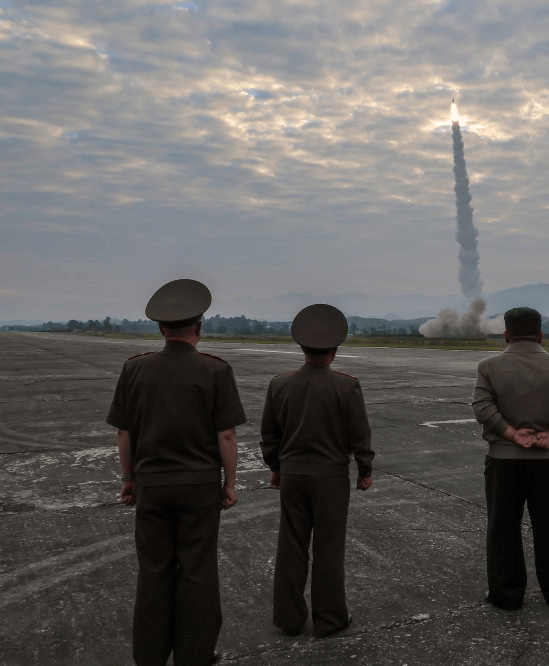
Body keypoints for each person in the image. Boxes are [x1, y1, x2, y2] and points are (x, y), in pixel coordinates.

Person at [107, 278, 246, 666]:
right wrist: (230, 483)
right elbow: (227, 435)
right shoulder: (216, 371)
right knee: (198, 573)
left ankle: (150, 656)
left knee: (154, 572)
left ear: (161, 329)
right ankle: (195, 655)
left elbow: (124, 432)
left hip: (151, 486)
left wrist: (129, 478)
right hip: (200, 488)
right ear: (199, 328)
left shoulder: (135, 369)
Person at [260, 304, 374, 638]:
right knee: (328, 548)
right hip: (330, 478)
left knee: (291, 545)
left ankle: (289, 618)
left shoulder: (279, 384)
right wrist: (364, 469)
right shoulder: (347, 386)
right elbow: (359, 434)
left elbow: (270, 434)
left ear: (302, 348)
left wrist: (277, 467)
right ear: (334, 351)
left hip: (293, 476)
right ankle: (329, 618)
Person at [472, 307, 549, 611]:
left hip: (503, 459)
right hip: (547, 459)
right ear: (541, 334)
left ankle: (507, 595)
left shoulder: (488, 366)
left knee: (503, 528)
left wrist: (511, 434)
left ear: (506, 335)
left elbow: (483, 407)